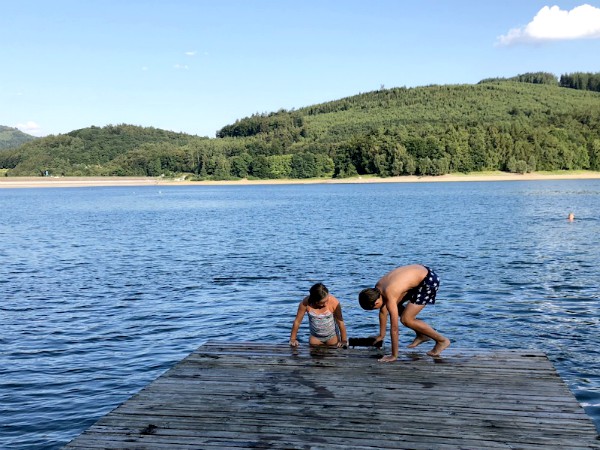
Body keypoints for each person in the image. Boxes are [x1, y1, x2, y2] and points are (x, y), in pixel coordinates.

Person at [359, 264, 450, 361]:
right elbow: (383, 311)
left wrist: (393, 356)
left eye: (374, 308)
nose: (377, 309)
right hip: (420, 272)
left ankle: (442, 341)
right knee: (393, 306)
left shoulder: (390, 293)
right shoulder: (378, 287)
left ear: (376, 302)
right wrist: (381, 336)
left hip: (428, 281)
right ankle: (422, 335)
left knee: (406, 319)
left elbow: (394, 328)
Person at [289, 283, 348, 348]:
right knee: (314, 356)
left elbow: (340, 322)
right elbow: (297, 322)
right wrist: (293, 339)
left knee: (333, 355)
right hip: (315, 337)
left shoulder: (334, 302)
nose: (325, 304)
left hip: (332, 337)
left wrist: (344, 340)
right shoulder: (306, 303)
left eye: (327, 300)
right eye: (322, 303)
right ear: (315, 301)